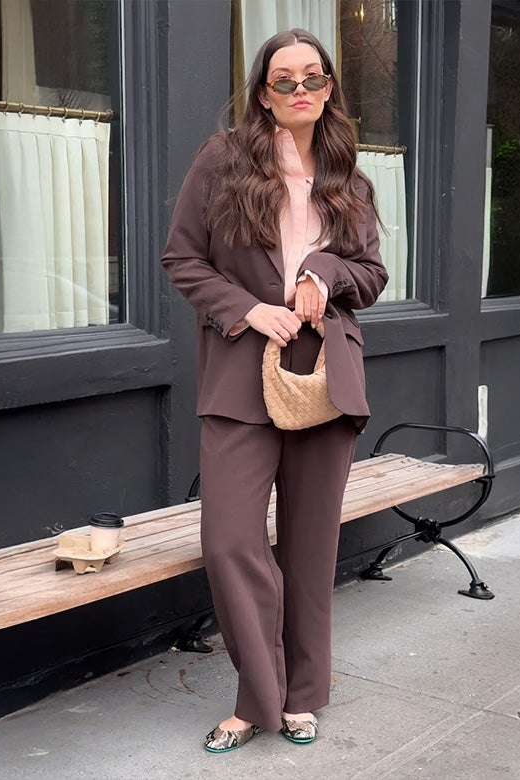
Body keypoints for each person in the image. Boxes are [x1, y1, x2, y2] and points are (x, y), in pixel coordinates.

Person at [161, 28, 388, 753]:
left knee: (311, 548)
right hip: (240, 370)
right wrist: (248, 309)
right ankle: (257, 698)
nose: (300, 91)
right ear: (263, 92)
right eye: (284, 80)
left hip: (325, 373)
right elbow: (182, 258)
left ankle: (300, 698)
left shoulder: (349, 175)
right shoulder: (223, 159)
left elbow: (372, 275)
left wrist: (325, 270)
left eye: (312, 78)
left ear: (328, 88)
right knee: (230, 541)